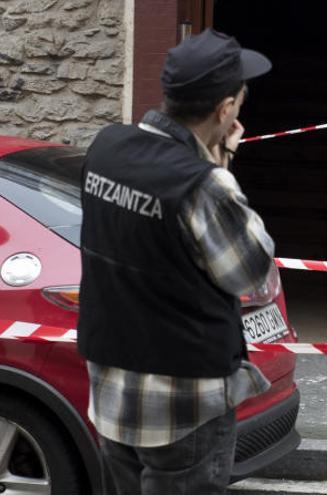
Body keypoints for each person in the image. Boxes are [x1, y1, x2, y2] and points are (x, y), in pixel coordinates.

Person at [77, 29, 279, 494]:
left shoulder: (106, 147)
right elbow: (251, 274)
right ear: (225, 110)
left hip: (112, 393)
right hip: (185, 409)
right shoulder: (205, 185)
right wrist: (223, 165)